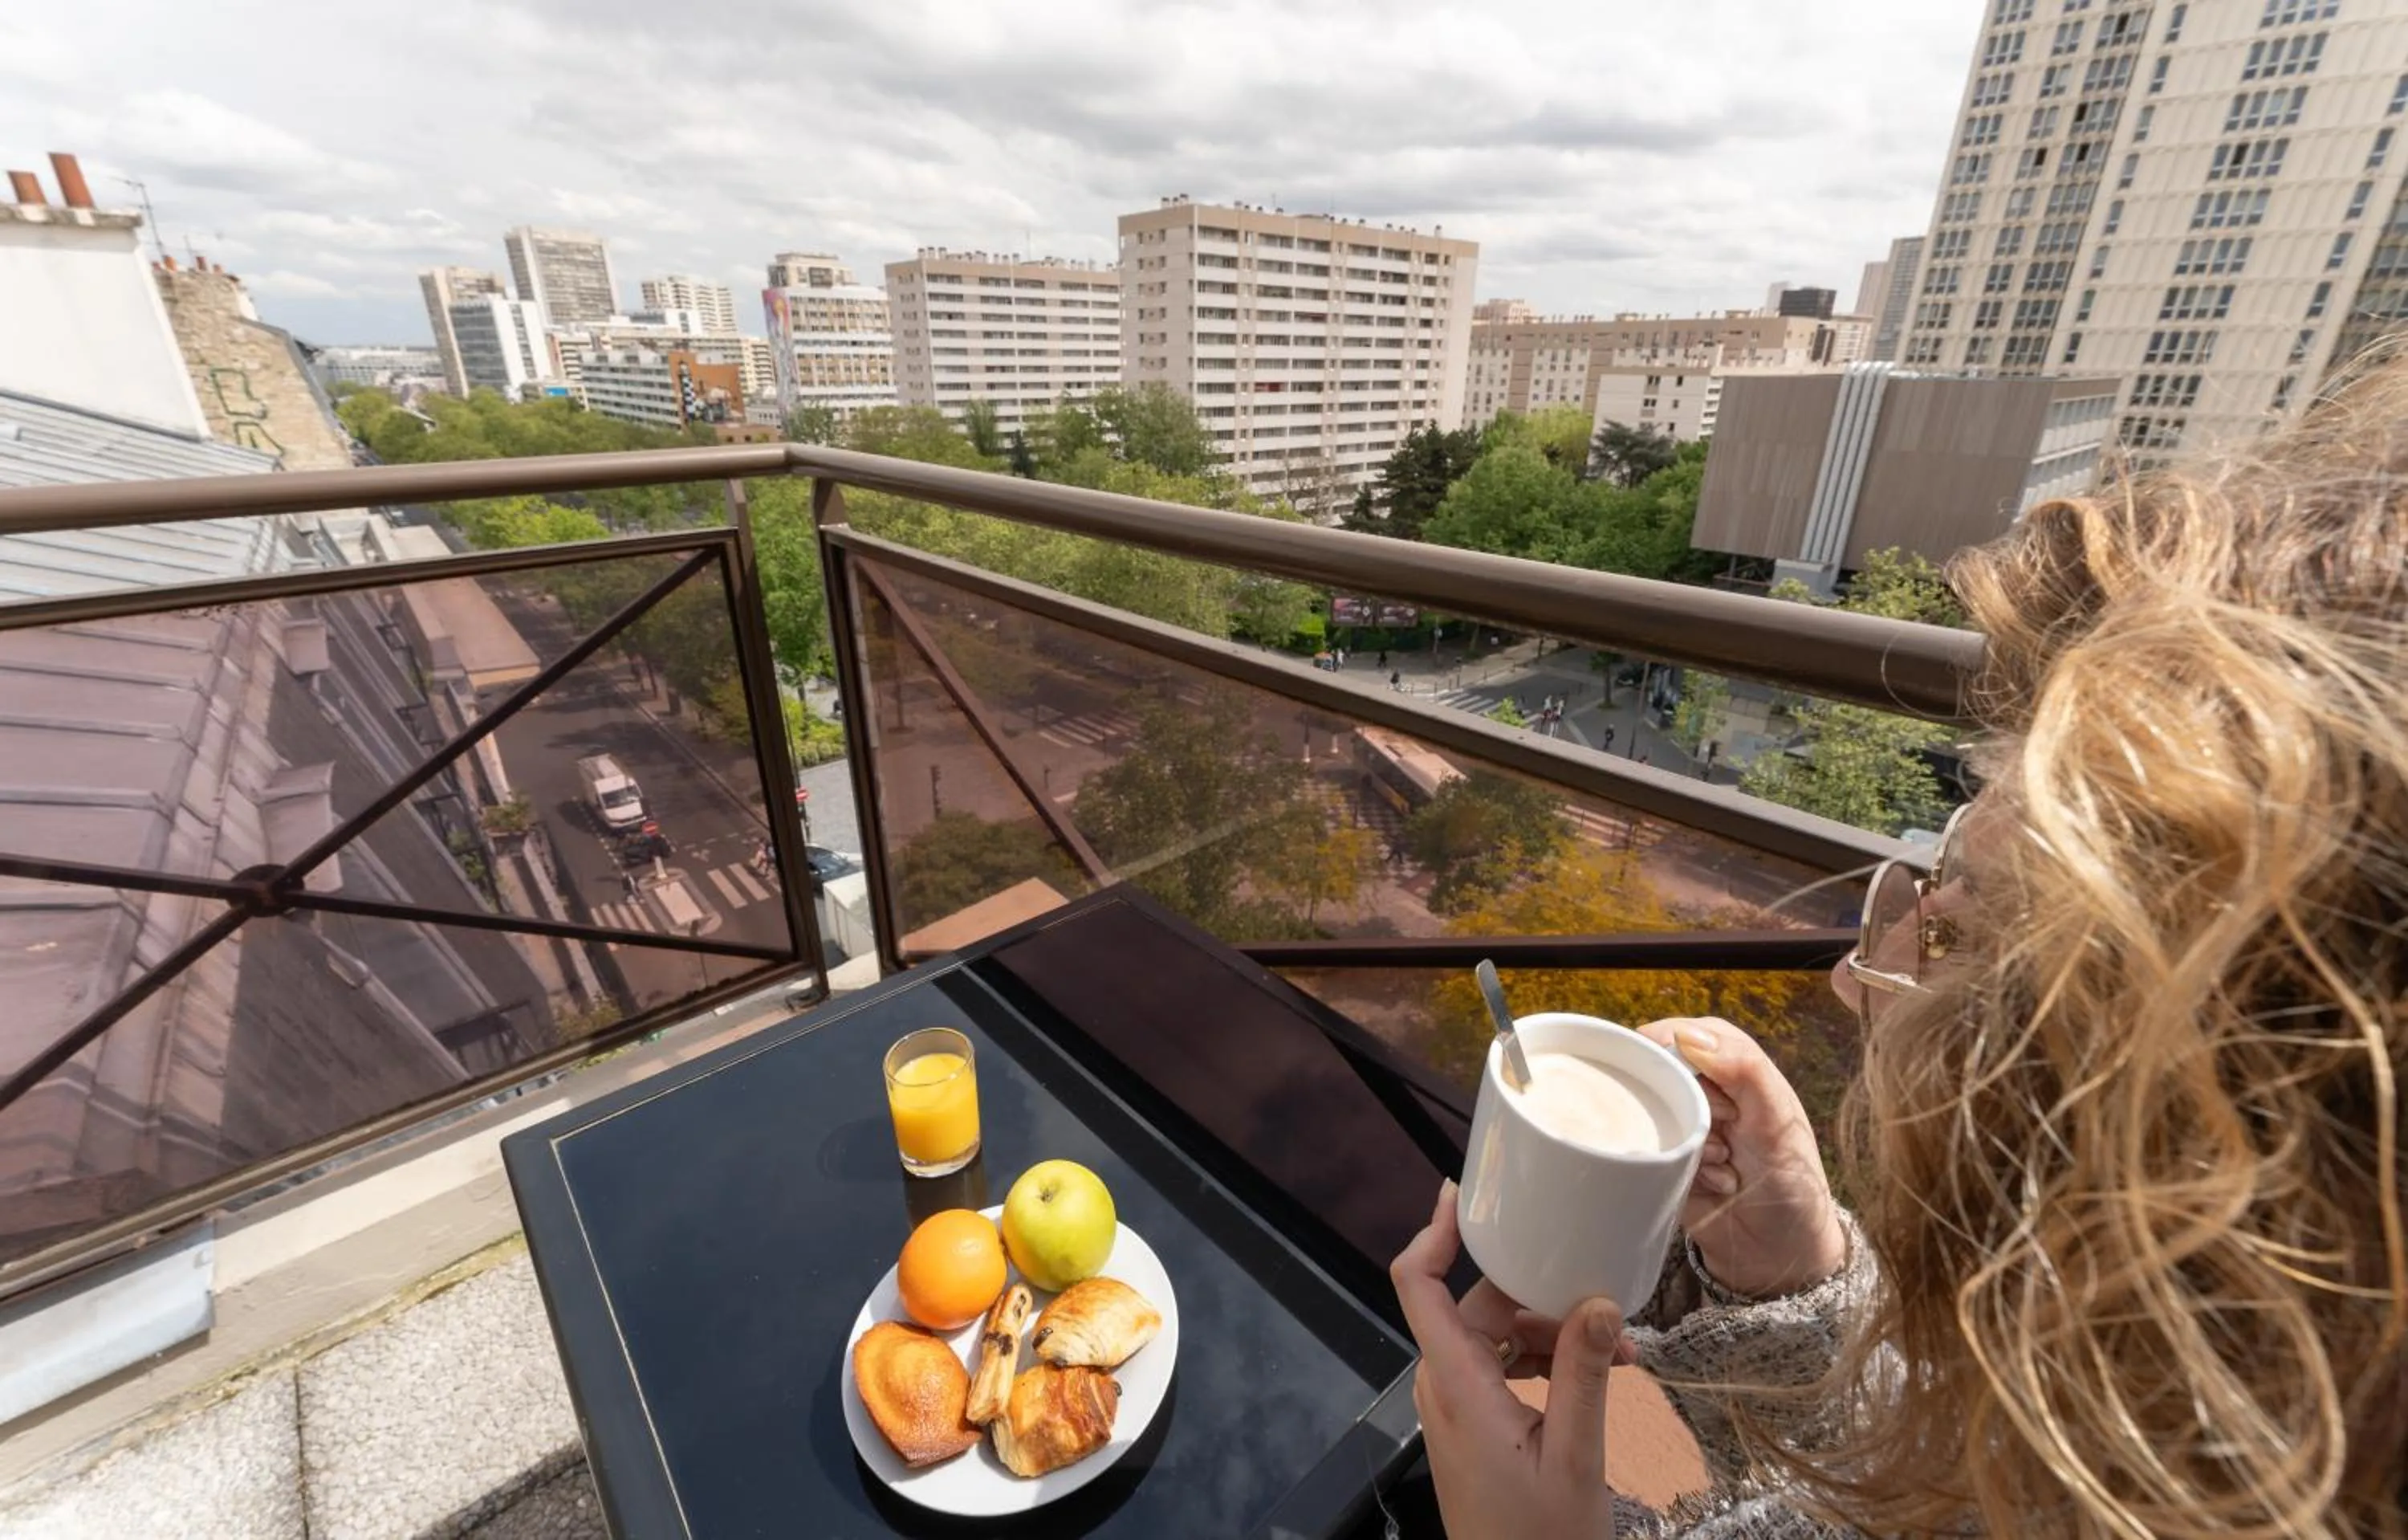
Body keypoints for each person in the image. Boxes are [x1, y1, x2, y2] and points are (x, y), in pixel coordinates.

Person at [1393, 363, 2408, 1538]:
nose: (1855, 979)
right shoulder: (2174, 1436)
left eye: (1967, 941)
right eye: (1938, 873)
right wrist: (1797, 1285)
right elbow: (1946, 1483)